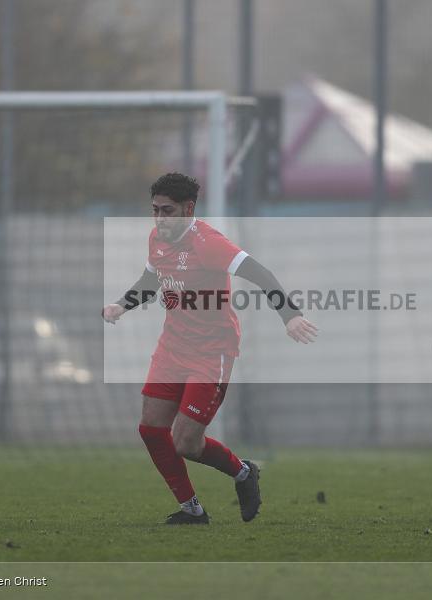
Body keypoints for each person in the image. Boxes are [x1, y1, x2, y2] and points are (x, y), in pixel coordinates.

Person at [103, 173, 318, 525]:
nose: (159, 218)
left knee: (186, 442)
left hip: (212, 352)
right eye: (154, 210)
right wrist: (121, 306)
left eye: (167, 211)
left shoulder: (208, 242)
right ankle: (192, 509)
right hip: (172, 348)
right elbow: (150, 281)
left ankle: (243, 473)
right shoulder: (157, 239)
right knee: (151, 429)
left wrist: (290, 316)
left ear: (189, 209)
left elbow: (260, 273)